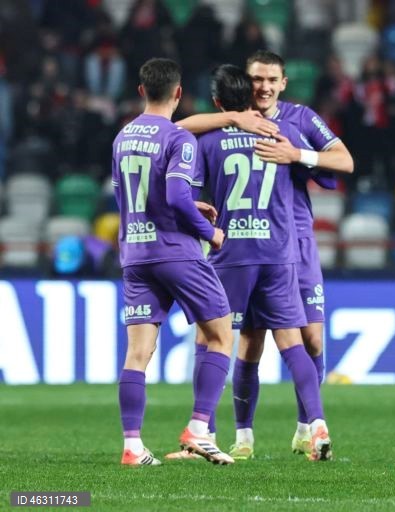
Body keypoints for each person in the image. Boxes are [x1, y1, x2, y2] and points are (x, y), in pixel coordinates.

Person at [178, 50, 353, 458]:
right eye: (257, 79)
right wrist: (231, 118)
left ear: (284, 82)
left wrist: (298, 155)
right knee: (251, 342)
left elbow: (344, 160)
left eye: (272, 79)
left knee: (311, 339)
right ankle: (244, 437)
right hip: (269, 247)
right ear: (247, 81)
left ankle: (302, 428)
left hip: (294, 244)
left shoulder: (299, 120)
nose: (264, 86)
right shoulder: (242, 125)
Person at [113, 58, 234, 466]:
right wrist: (209, 231)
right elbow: (178, 198)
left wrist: (184, 207)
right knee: (220, 334)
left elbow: (135, 197)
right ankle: (199, 429)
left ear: (141, 90)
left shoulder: (123, 137)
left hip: (135, 253)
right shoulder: (179, 137)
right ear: (179, 93)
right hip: (175, 252)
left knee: (138, 353)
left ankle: (132, 446)